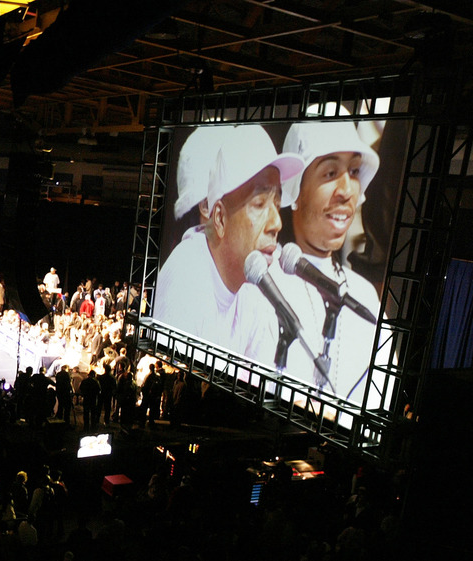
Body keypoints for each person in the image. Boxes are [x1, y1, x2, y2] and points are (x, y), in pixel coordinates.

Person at [154, 124, 305, 364]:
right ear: (220, 218)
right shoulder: (186, 280)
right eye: (259, 204)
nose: (277, 223)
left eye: (276, 204)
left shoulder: (251, 284)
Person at [274, 119, 386, 405]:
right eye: (331, 172)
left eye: (354, 171)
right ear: (295, 188)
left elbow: (381, 401)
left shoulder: (363, 295)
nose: (347, 191)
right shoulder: (261, 278)